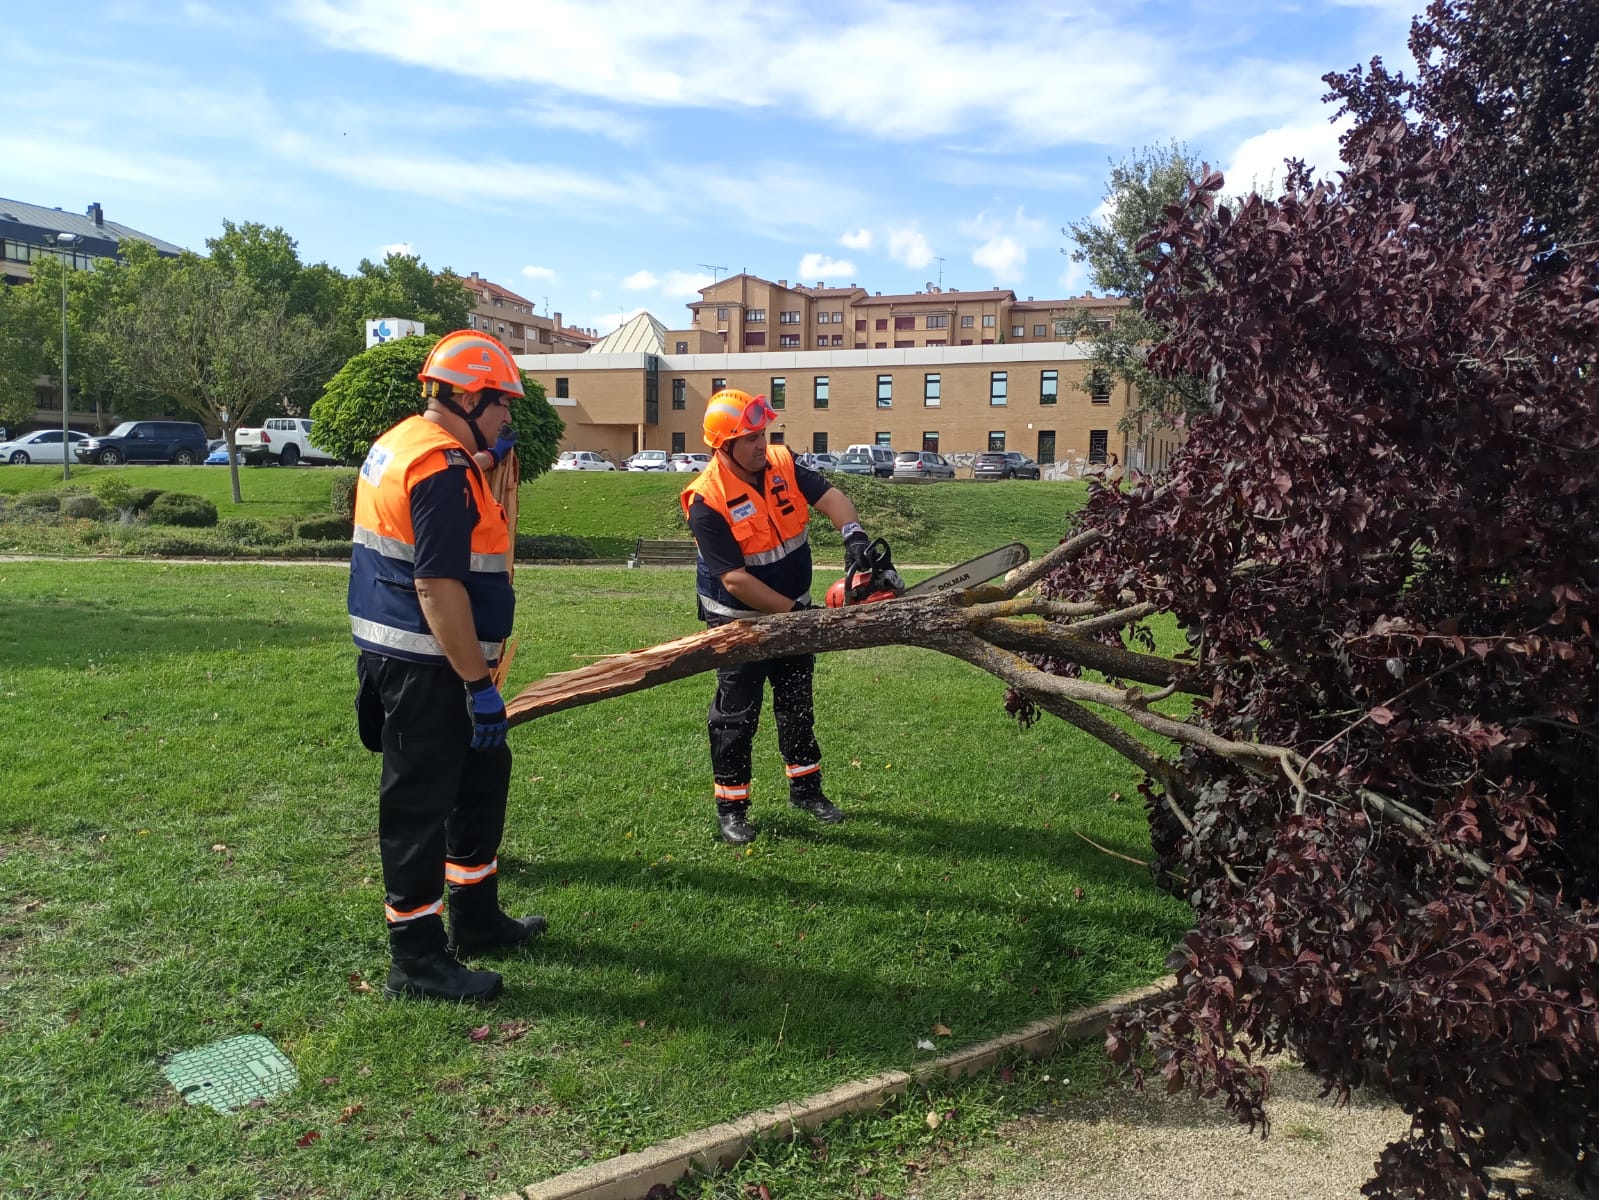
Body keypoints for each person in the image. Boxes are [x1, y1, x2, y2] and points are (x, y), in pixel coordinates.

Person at [348, 329, 545, 1003]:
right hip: (430, 668)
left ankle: (477, 917)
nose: (508, 418)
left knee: (481, 781)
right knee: (420, 806)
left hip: (429, 661)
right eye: (500, 406)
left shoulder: (412, 444)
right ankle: (418, 959)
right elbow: (437, 584)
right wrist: (474, 686)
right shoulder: (438, 467)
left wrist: (487, 457)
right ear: (465, 395)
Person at [681, 388, 880, 844]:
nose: (760, 443)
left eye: (762, 433)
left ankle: (806, 790)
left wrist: (854, 537)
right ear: (723, 444)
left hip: (795, 614)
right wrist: (797, 614)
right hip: (738, 623)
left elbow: (832, 498)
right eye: (749, 437)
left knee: (796, 705)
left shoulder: (781, 462)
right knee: (736, 715)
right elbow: (735, 581)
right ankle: (732, 808)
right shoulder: (705, 500)